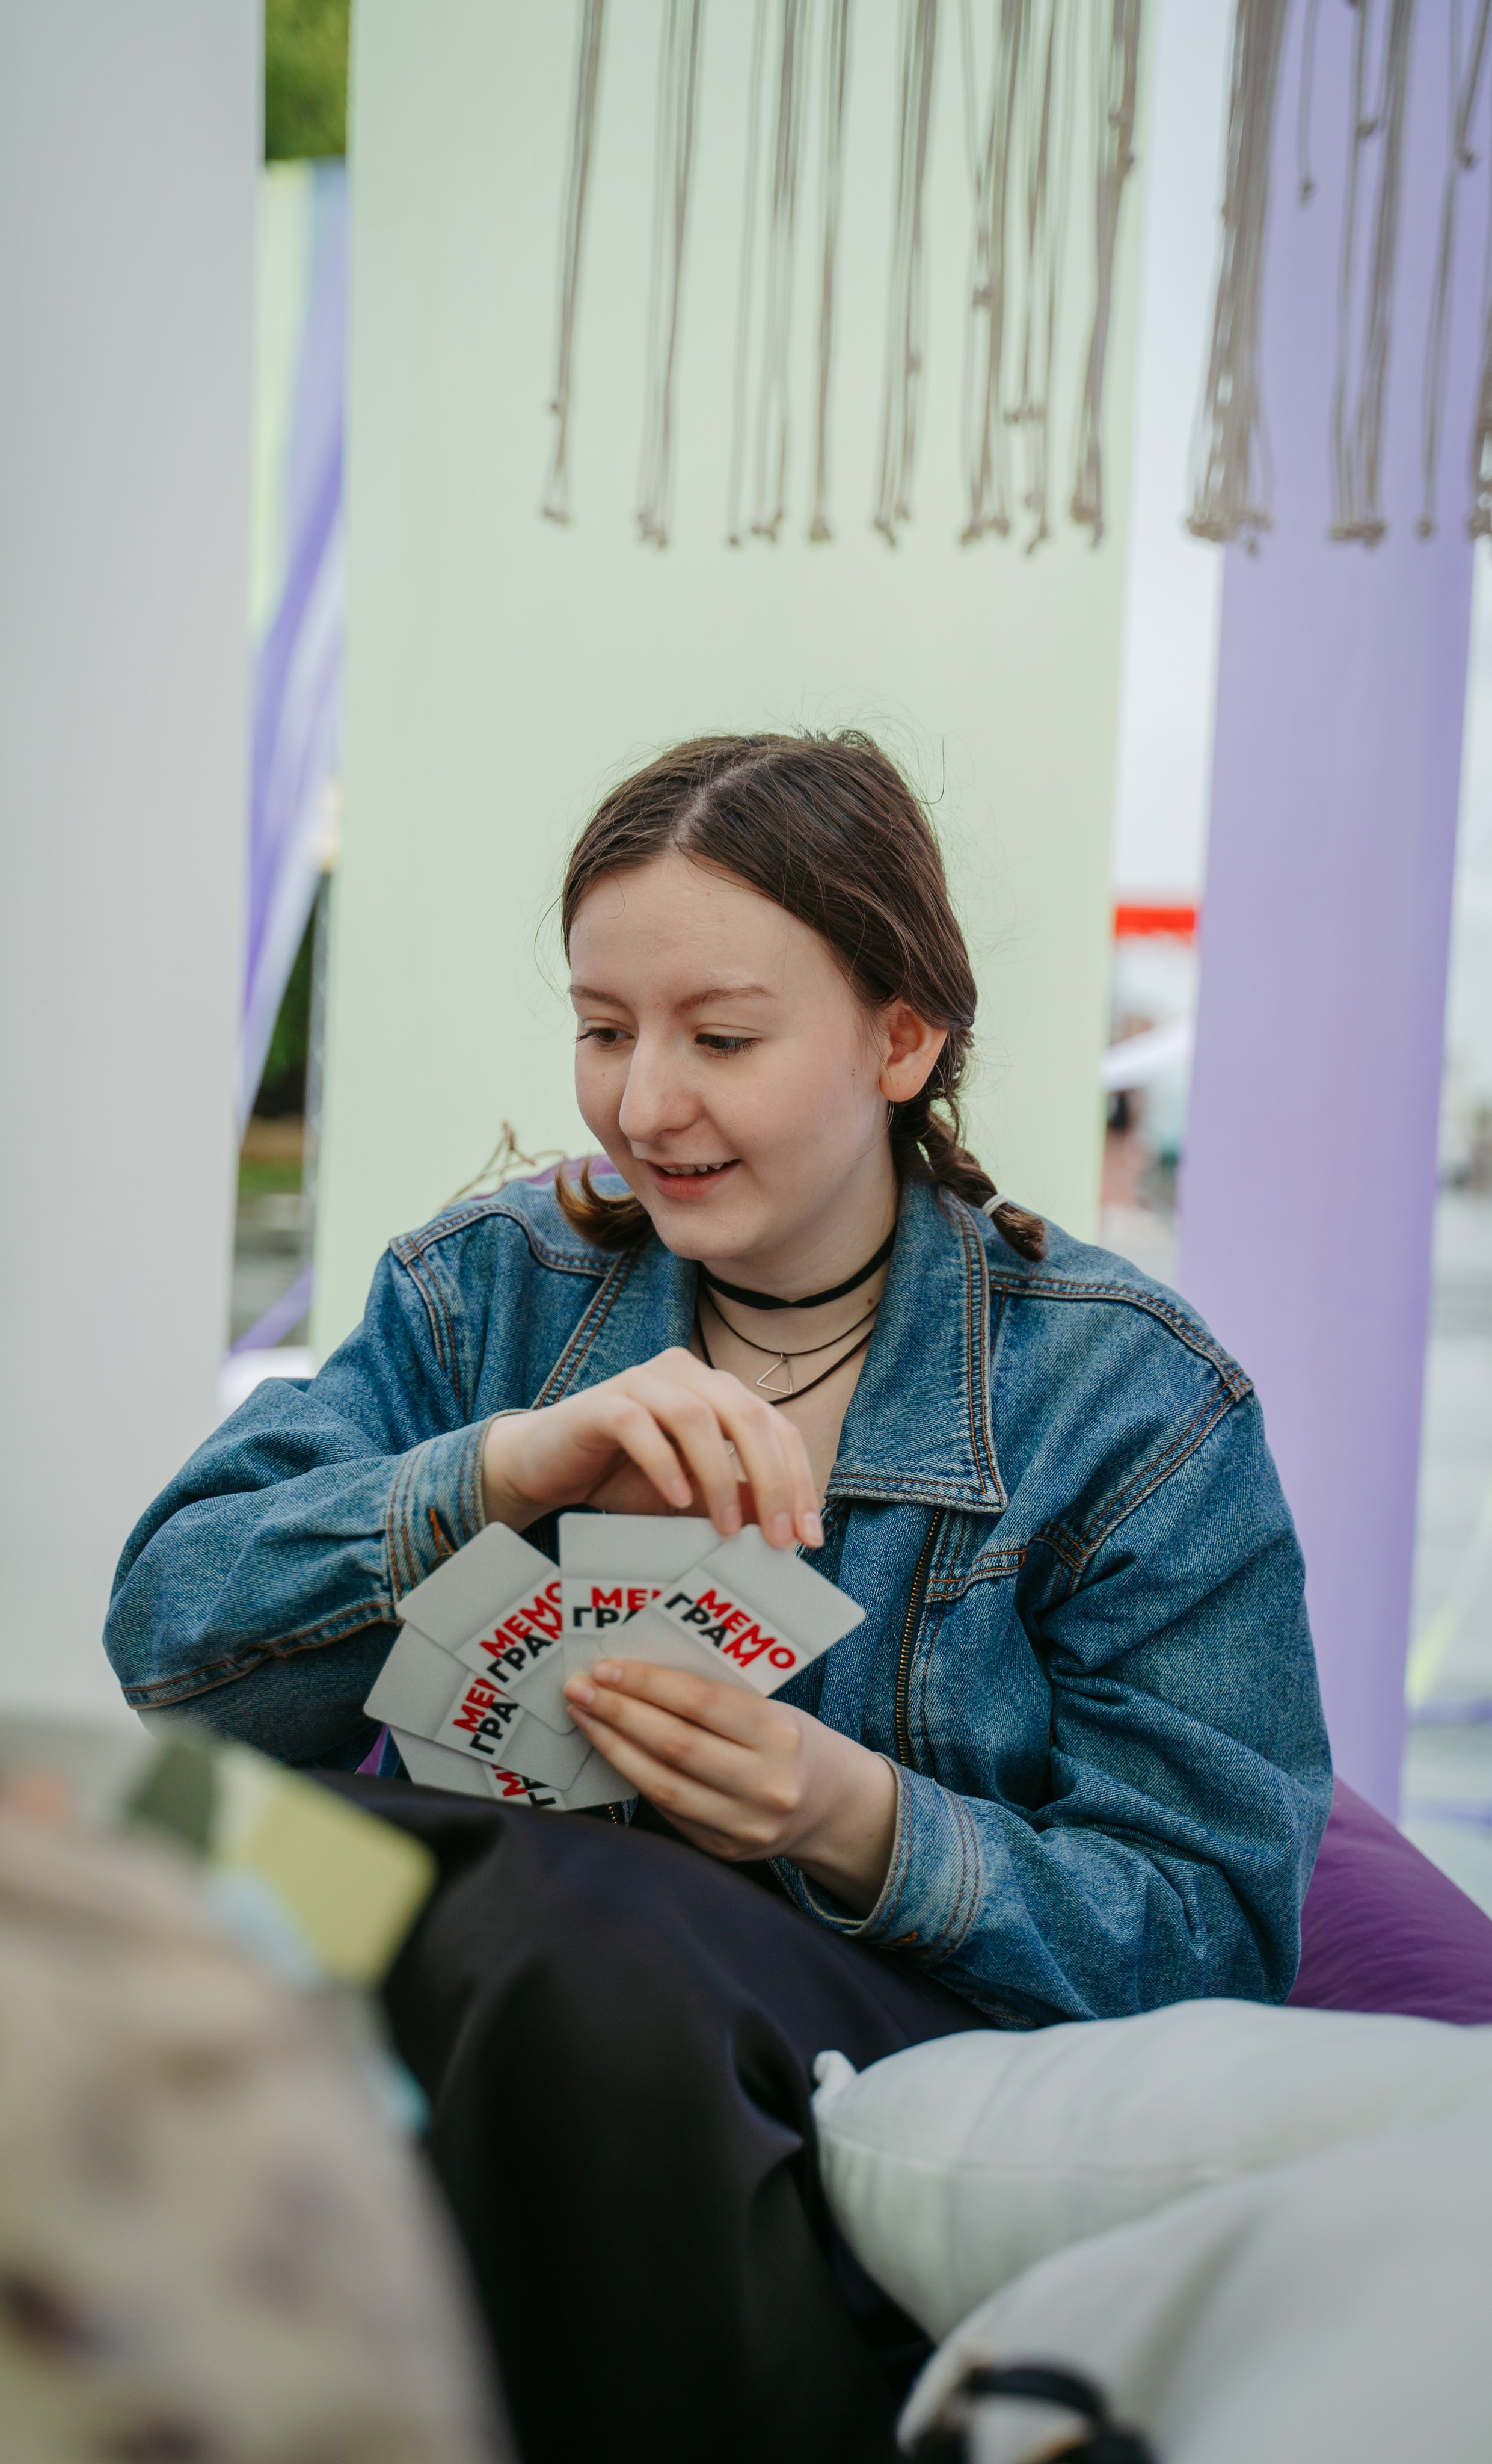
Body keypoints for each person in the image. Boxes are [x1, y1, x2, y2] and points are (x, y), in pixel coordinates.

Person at [106, 732, 1332, 2464]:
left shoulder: (1117, 1400)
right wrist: (504, 1471)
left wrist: (856, 1819)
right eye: (604, 1030)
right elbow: (172, 1641)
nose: (643, 1103)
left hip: (833, 2002)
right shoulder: (496, 1291)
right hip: (470, 1916)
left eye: (722, 1038)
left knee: (584, 1944)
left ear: (902, 1040)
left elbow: (1214, 1928)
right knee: (135, 1834)